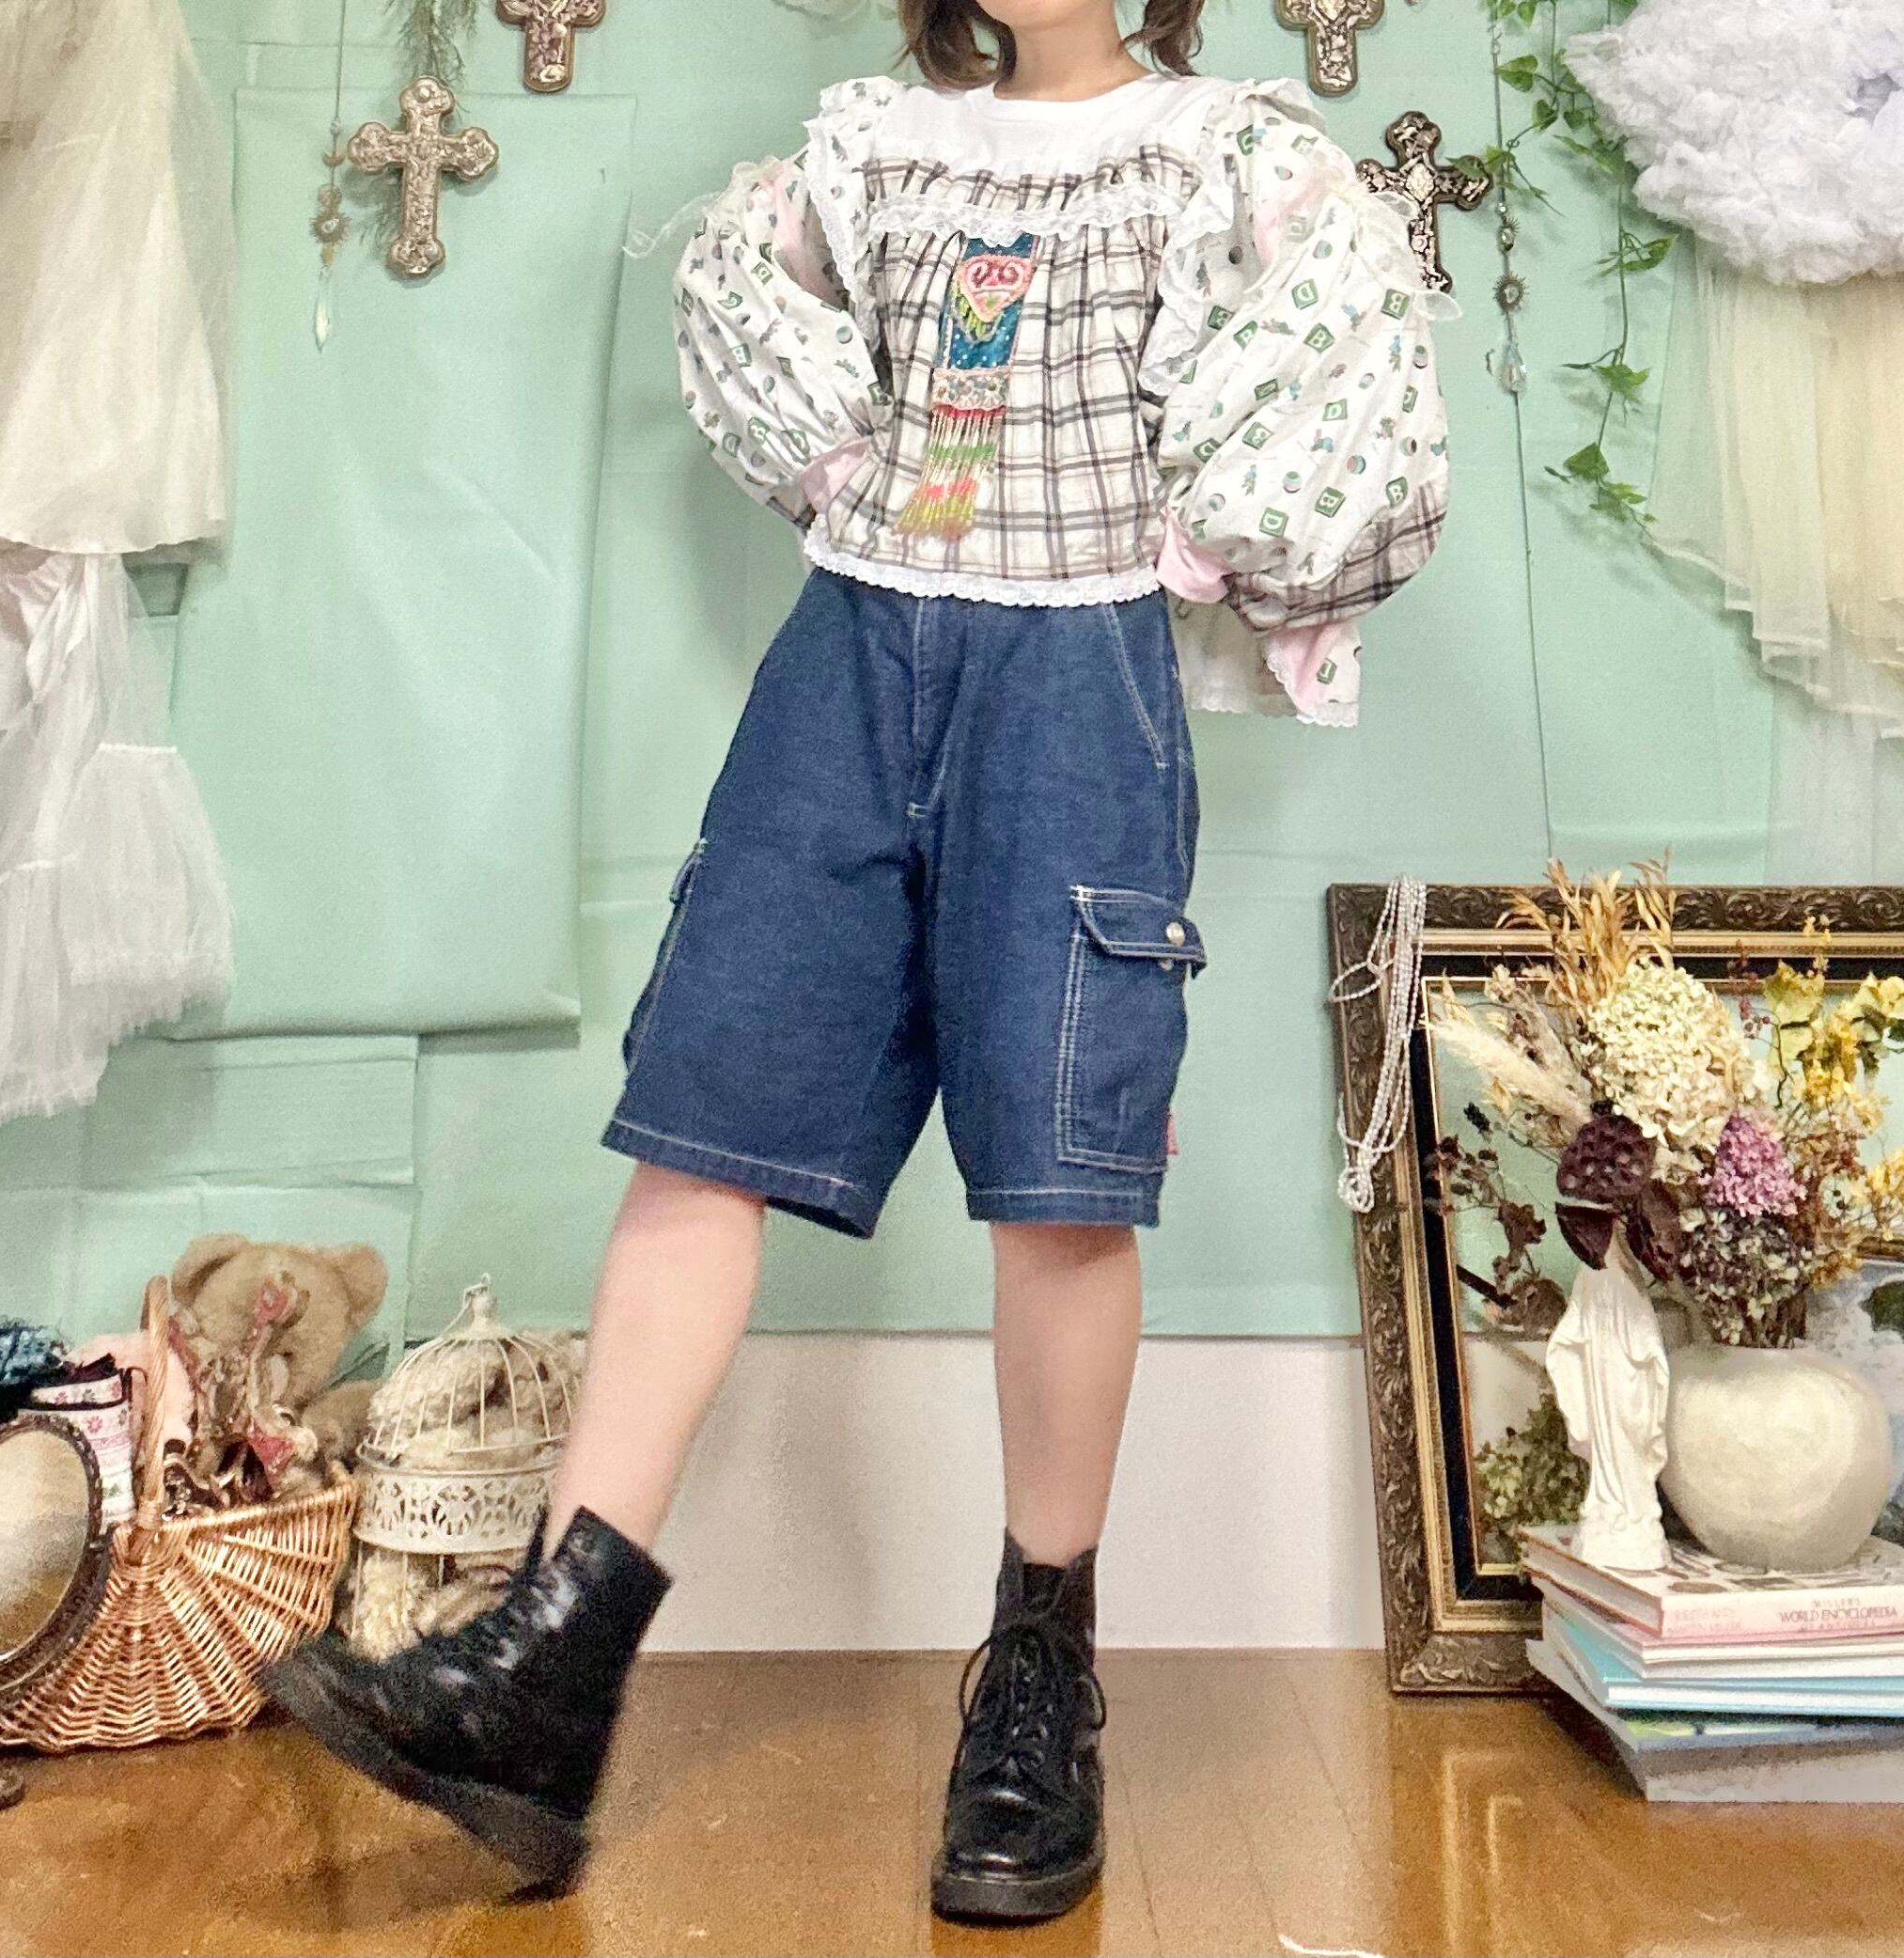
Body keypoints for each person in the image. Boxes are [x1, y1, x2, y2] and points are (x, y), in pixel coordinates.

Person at [267, 0, 1448, 1920]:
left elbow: (1346, 361)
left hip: (1075, 678)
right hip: (850, 661)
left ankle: (1040, 1674)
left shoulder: (1225, 152)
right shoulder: (876, 146)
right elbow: (746, 291)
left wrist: (1216, 537)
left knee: (1060, 1177)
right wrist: (837, 451)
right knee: (705, 1118)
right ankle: (552, 1663)